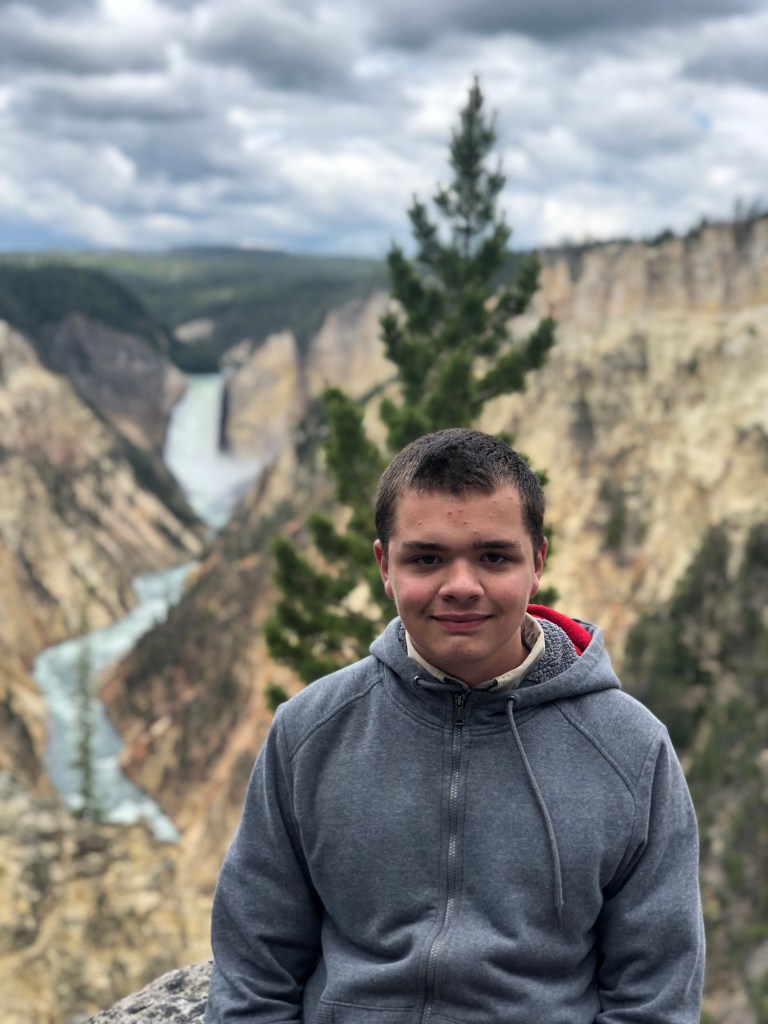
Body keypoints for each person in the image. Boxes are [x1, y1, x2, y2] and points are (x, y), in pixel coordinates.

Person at [205, 428, 705, 1024]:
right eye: (427, 558)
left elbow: (655, 995)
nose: (461, 587)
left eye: (494, 557)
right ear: (385, 566)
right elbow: (254, 970)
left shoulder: (630, 748)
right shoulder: (310, 731)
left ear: (537, 562)